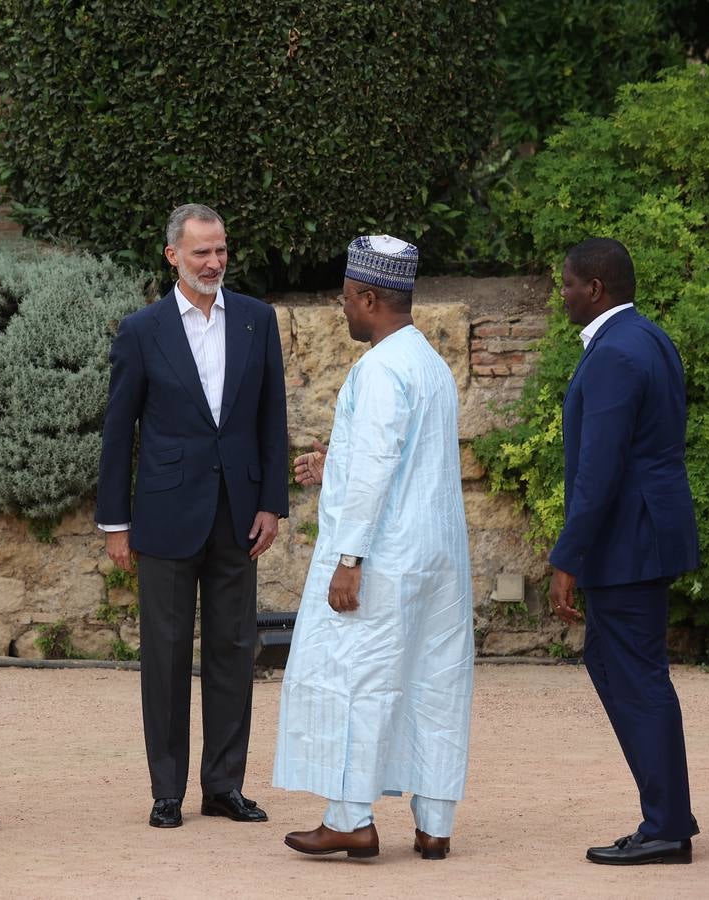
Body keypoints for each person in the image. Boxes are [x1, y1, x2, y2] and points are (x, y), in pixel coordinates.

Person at [274, 235, 474, 861]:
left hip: (385, 556)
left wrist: (349, 559)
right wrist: (333, 462)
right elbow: (405, 460)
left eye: (345, 301)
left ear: (368, 297)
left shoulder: (381, 367)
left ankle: (350, 819)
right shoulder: (430, 364)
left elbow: (380, 467)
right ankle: (434, 825)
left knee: (358, 678)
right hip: (438, 558)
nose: (342, 312)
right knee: (433, 681)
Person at [96, 203, 289, 829]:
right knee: (167, 654)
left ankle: (224, 786)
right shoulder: (141, 329)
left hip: (239, 514)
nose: (214, 262)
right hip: (164, 514)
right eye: (201, 251)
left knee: (234, 650)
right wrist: (114, 523)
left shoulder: (258, 321)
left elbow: (270, 419)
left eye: (222, 250)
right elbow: (118, 430)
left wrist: (272, 504)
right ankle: (167, 790)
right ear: (172, 255)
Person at [547, 237, 700, 865]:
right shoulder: (650, 337)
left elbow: (599, 469)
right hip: (644, 534)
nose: (563, 295)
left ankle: (666, 826)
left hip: (627, 541)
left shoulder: (614, 354)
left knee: (635, 675)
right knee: (616, 666)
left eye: (567, 285)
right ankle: (666, 816)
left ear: (595, 290)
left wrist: (567, 557)